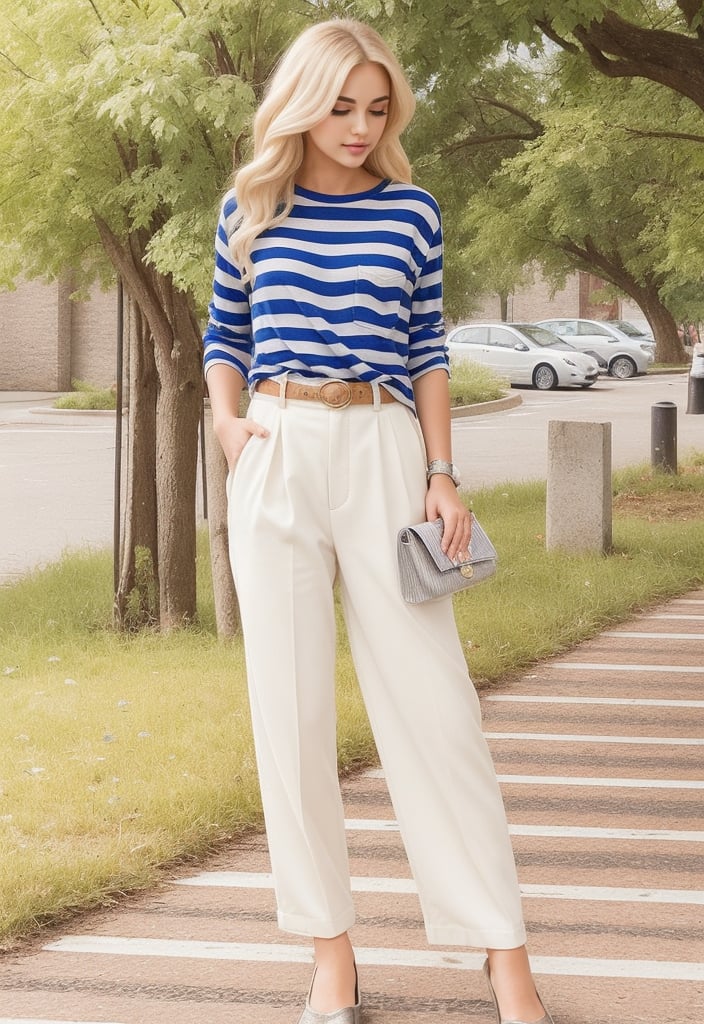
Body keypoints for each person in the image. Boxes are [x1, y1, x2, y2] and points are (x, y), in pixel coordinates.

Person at [203, 18, 554, 1024]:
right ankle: (330, 960)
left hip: (382, 447)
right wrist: (230, 425)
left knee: (435, 711)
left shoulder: (411, 212)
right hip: (274, 448)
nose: (358, 126)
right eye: (340, 106)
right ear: (302, 104)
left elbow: (425, 346)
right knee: (291, 716)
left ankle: (504, 957)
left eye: (375, 108)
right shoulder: (251, 204)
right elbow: (223, 331)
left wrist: (441, 475)